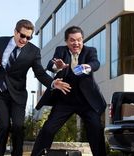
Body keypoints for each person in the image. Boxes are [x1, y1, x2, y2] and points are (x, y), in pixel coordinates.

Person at [0, 19, 71, 156]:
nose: (25, 40)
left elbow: (40, 73)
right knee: (4, 126)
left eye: (28, 37)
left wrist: (53, 83)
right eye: (22, 36)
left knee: (18, 127)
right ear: (15, 32)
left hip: (18, 95)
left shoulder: (33, 51)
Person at [31, 26, 107, 156]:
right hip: (65, 100)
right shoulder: (61, 51)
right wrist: (57, 66)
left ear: (82, 39)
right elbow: (51, 65)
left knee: (96, 129)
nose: (76, 43)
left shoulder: (90, 51)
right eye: (72, 40)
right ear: (67, 41)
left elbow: (96, 63)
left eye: (79, 40)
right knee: (48, 129)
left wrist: (88, 66)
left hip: (86, 102)